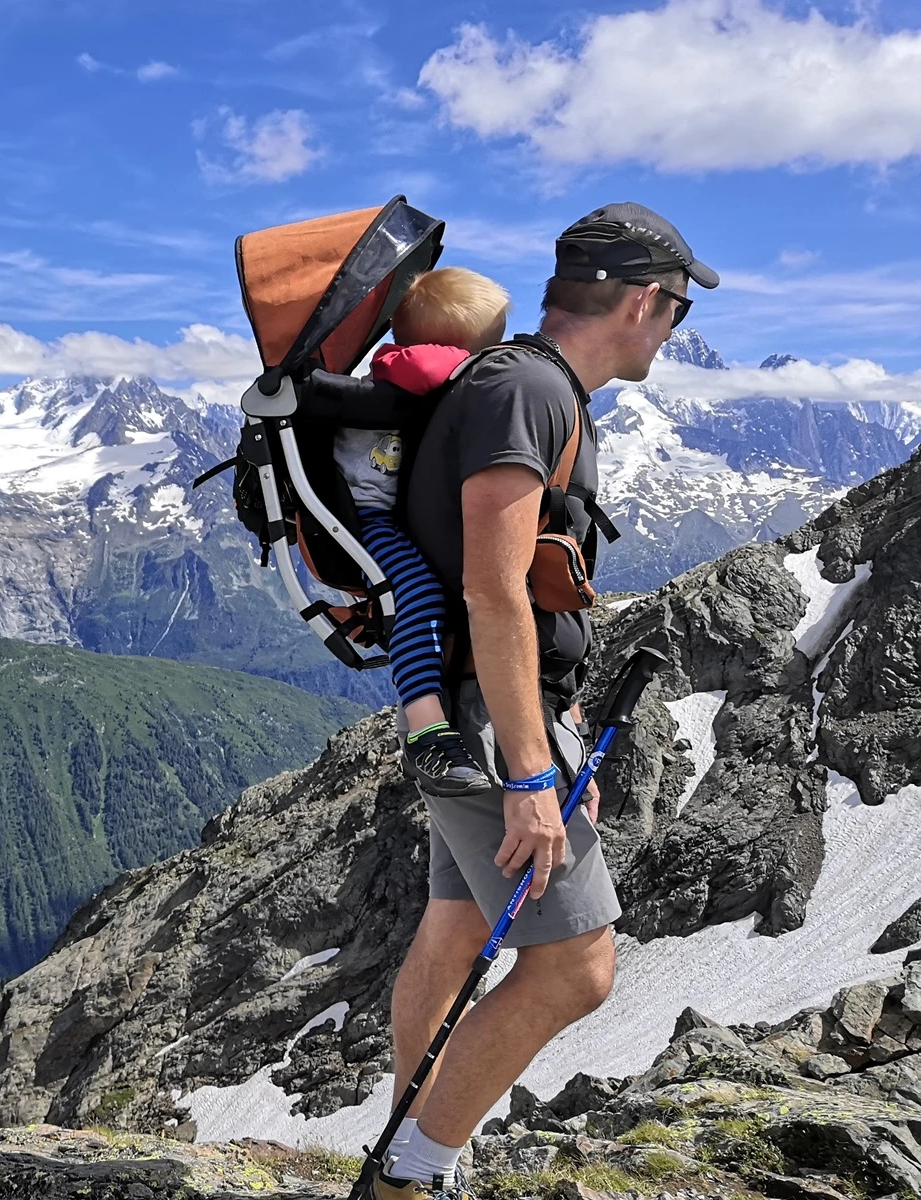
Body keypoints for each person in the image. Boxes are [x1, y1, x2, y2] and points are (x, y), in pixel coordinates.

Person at [368, 203, 718, 1200]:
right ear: (645, 300)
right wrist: (529, 770)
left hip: (489, 711)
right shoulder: (530, 391)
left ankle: (410, 1136)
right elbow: (493, 587)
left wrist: (556, 735)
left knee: (457, 926)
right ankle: (412, 1171)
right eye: (678, 312)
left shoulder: (527, 385)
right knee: (577, 970)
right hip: (488, 724)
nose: (672, 331)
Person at [333, 266, 513, 799]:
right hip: (368, 519)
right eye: (489, 345)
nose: (494, 356)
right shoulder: (412, 365)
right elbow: (443, 369)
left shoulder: (413, 366)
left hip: (382, 512)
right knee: (420, 593)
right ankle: (426, 729)